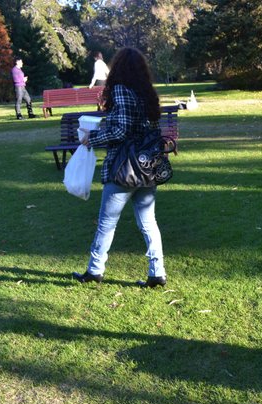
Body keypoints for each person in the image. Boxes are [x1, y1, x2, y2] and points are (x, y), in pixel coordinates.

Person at [73, 47, 167, 288]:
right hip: (147, 167)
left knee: (107, 222)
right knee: (148, 223)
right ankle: (157, 273)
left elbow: (121, 131)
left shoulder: (121, 90)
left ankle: (95, 270)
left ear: (119, 68)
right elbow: (143, 128)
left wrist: (91, 138)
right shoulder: (146, 94)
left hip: (124, 169)